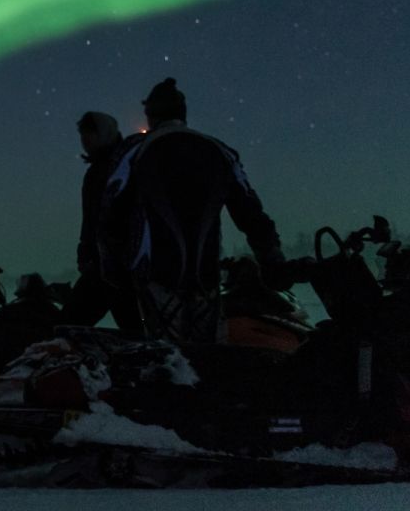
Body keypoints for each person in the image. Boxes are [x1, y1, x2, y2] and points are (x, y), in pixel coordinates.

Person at [100, 78, 286, 343]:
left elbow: (111, 211)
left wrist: (113, 267)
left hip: (154, 272)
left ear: (151, 115)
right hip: (205, 273)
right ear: (183, 113)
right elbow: (250, 212)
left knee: (168, 358)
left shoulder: (134, 150)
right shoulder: (219, 150)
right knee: (207, 356)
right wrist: (271, 257)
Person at [62, 112, 143, 332]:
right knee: (135, 329)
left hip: (115, 266)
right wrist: (85, 251)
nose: (85, 141)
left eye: (90, 135)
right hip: (106, 264)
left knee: (70, 326)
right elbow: (91, 220)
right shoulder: (100, 170)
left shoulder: (121, 167)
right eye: (83, 136)